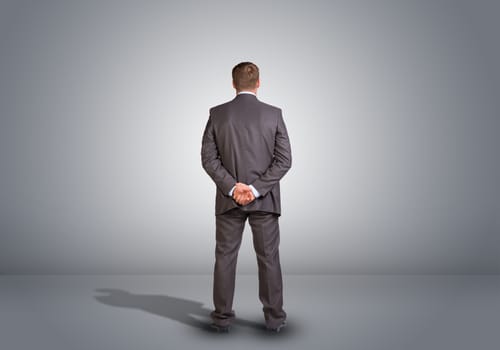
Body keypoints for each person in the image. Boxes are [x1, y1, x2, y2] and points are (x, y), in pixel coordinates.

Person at [201, 62, 292, 333]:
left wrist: (233, 188)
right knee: (269, 259)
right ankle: (274, 319)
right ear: (259, 83)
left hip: (228, 202)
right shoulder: (273, 114)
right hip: (265, 201)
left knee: (225, 258)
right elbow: (284, 160)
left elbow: (208, 158)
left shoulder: (217, 114)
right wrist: (255, 189)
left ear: (233, 84)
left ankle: (221, 320)